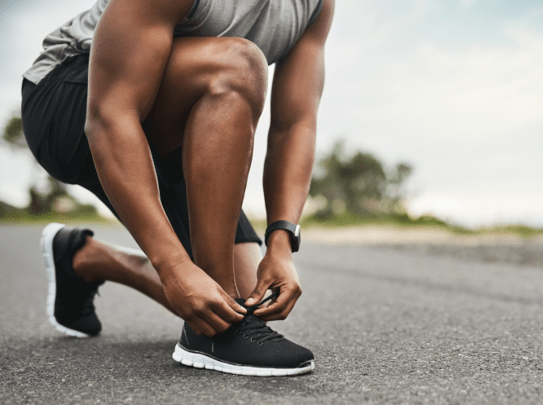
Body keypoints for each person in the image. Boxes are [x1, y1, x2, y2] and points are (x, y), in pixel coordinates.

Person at [21, 0, 334, 377]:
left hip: (180, 126)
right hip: (71, 98)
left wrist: (281, 243)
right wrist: (172, 266)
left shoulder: (315, 4)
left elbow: (294, 124)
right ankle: (214, 339)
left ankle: (84, 259)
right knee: (237, 64)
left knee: (245, 295)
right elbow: (109, 115)